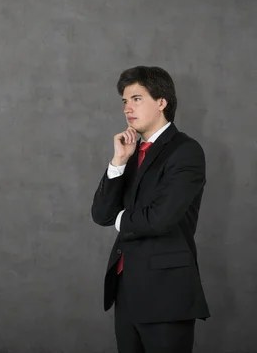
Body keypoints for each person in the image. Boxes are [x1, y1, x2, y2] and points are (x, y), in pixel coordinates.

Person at [91, 66, 210, 353]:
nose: (127, 108)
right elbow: (100, 213)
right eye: (124, 101)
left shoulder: (186, 151)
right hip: (127, 290)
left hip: (166, 294)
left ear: (161, 102)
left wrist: (119, 219)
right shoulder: (131, 151)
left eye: (136, 98)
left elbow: (159, 219)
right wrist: (119, 161)